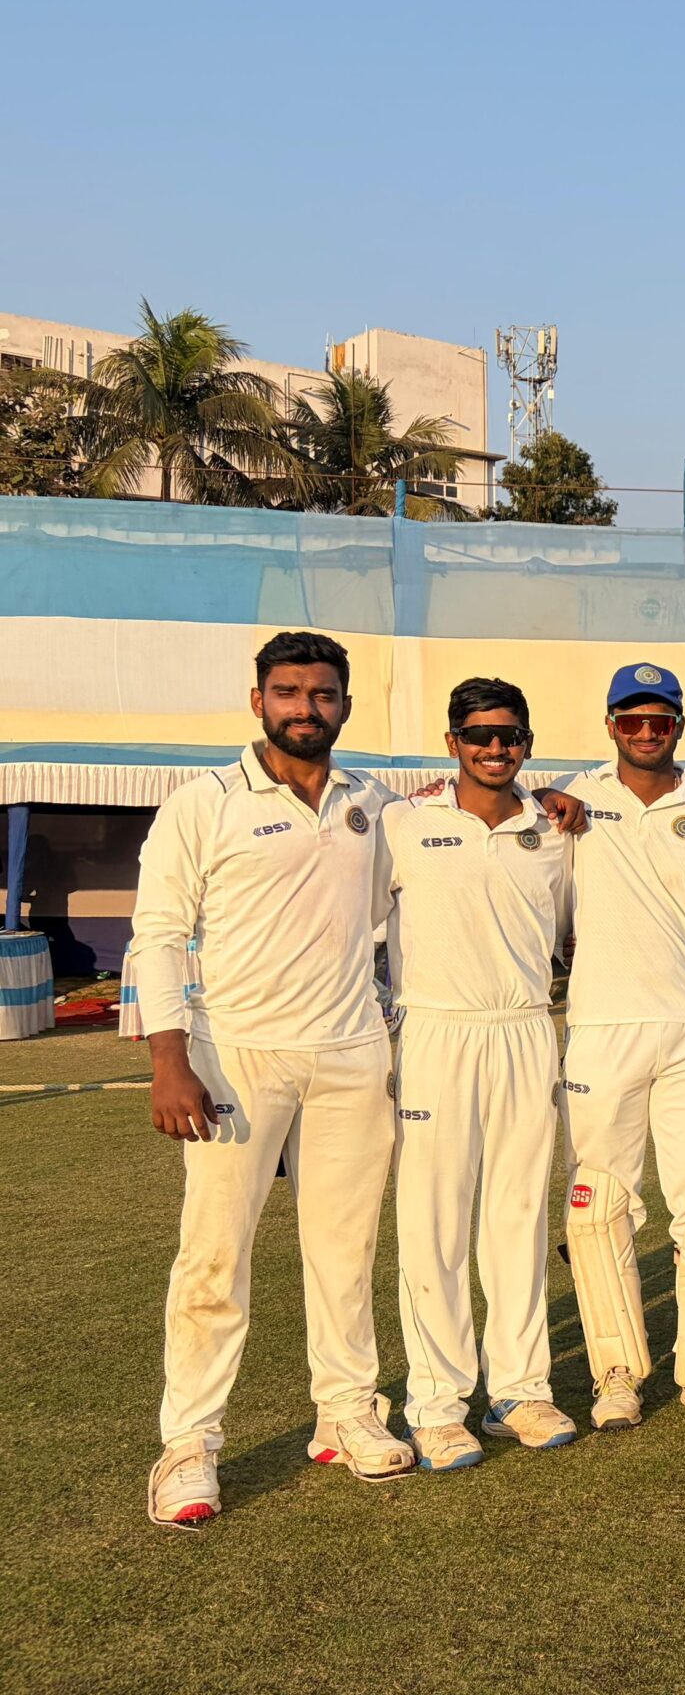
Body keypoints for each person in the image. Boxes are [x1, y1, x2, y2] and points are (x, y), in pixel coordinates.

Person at [133, 631, 414, 1523]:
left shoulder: (374, 801)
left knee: (344, 1247)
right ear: (257, 700)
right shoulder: (201, 802)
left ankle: (345, 1413)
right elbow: (158, 934)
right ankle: (189, 1445)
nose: (306, 707)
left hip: (348, 1051)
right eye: (288, 692)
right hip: (234, 1056)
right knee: (215, 1254)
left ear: (345, 704)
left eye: (323, 693)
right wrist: (170, 1059)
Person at [382, 678, 578, 1472]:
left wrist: (564, 803)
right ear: (453, 742)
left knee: (518, 1217)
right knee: (434, 1222)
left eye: (510, 737)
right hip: (436, 1031)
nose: (495, 750)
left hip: (528, 1029)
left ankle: (520, 1391)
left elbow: (571, 929)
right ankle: (435, 1402)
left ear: (527, 743)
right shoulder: (404, 821)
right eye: (479, 736)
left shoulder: (556, 829)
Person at [557, 661, 685, 1432]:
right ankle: (616, 1372)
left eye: (660, 721)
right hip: (602, 1027)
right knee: (601, 1196)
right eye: (632, 721)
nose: (647, 733)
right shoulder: (573, 803)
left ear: (678, 724)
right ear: (610, 725)